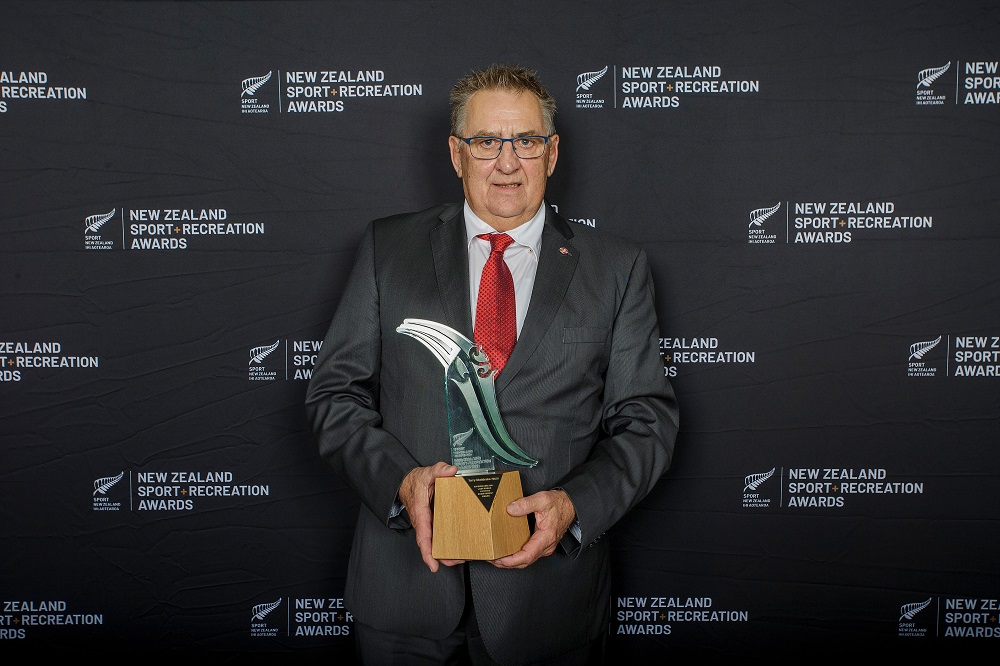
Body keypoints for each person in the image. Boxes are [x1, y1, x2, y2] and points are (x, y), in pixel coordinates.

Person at [305, 64, 679, 665]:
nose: (507, 162)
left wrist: (573, 507)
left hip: (548, 602)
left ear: (551, 152)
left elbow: (646, 422)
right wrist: (400, 483)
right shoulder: (388, 250)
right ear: (457, 153)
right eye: (486, 142)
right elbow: (334, 396)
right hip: (406, 594)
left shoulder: (617, 268)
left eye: (526, 141)